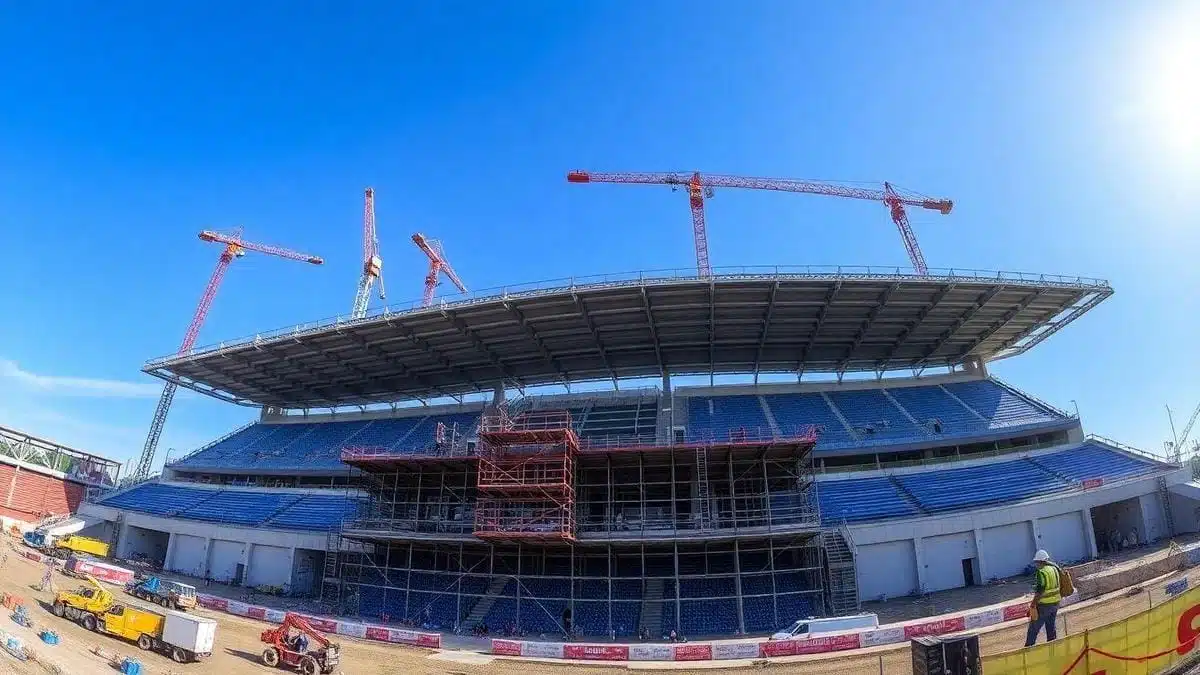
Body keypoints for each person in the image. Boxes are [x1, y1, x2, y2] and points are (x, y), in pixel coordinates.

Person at [1025, 549, 1061, 646]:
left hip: (1044, 605)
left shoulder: (1041, 572)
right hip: (1056, 603)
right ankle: (1053, 648)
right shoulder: (1054, 569)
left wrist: (1033, 604)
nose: (1036, 564)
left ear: (1039, 561)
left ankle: (1028, 650)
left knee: (1033, 629)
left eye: (1036, 562)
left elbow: (1040, 590)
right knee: (1051, 628)